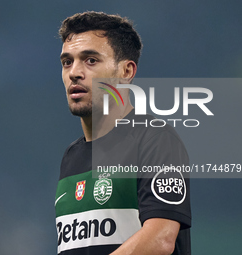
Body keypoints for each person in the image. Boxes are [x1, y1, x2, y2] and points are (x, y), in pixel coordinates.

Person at [55, 11, 191, 255]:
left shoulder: (154, 139)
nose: (74, 72)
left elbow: (160, 239)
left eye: (90, 60)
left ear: (126, 71)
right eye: (67, 62)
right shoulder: (70, 157)